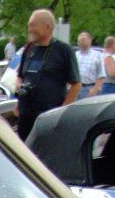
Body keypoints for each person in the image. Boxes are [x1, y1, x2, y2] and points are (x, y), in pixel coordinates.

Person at [13, 8, 81, 141]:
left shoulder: (63, 50)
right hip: (26, 115)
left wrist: (61, 112)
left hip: (49, 118)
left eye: (33, 25)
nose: (29, 29)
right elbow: (20, 75)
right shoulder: (29, 48)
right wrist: (19, 88)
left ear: (47, 26)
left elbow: (76, 84)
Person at [74, 32, 104, 99]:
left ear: (90, 40)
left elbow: (101, 75)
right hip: (75, 88)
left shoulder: (97, 55)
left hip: (88, 89)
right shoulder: (75, 55)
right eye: (79, 41)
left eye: (83, 40)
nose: (81, 42)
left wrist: (94, 90)